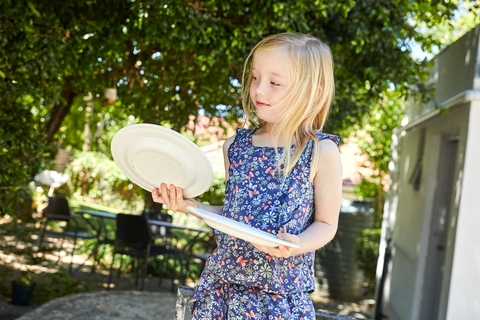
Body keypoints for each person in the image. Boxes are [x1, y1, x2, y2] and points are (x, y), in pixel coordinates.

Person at [152, 32, 343, 319]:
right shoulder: (236, 147)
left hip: (278, 300)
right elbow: (232, 215)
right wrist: (188, 205)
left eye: (274, 83)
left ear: (312, 91)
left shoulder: (320, 152)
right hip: (220, 293)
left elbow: (327, 224)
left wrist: (294, 245)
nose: (259, 91)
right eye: (255, 78)